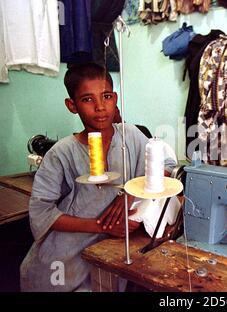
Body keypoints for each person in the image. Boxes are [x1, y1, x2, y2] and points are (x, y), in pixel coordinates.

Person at [20, 63, 174, 291]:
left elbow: (167, 167)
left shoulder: (130, 135)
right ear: (72, 105)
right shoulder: (61, 153)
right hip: (64, 259)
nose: (101, 107)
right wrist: (101, 226)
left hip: (109, 254)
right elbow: (41, 213)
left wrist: (129, 192)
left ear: (116, 98)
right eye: (88, 99)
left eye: (106, 96)